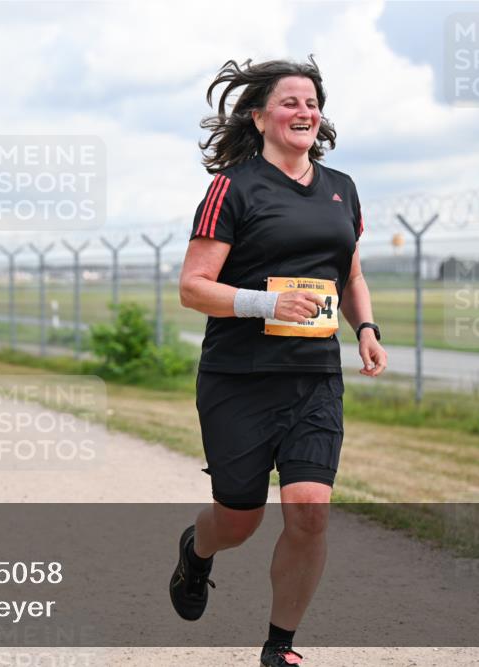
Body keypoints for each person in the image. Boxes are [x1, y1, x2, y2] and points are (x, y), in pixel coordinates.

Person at [171, 57, 387, 667]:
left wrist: (366, 329)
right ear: (260, 117)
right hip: (239, 378)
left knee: (310, 509)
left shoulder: (342, 187)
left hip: (314, 377)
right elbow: (193, 287)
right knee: (238, 520)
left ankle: (279, 646)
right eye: (290, 101)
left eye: (312, 102)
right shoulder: (233, 187)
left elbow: (350, 274)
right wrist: (267, 303)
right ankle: (196, 552)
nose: (305, 111)